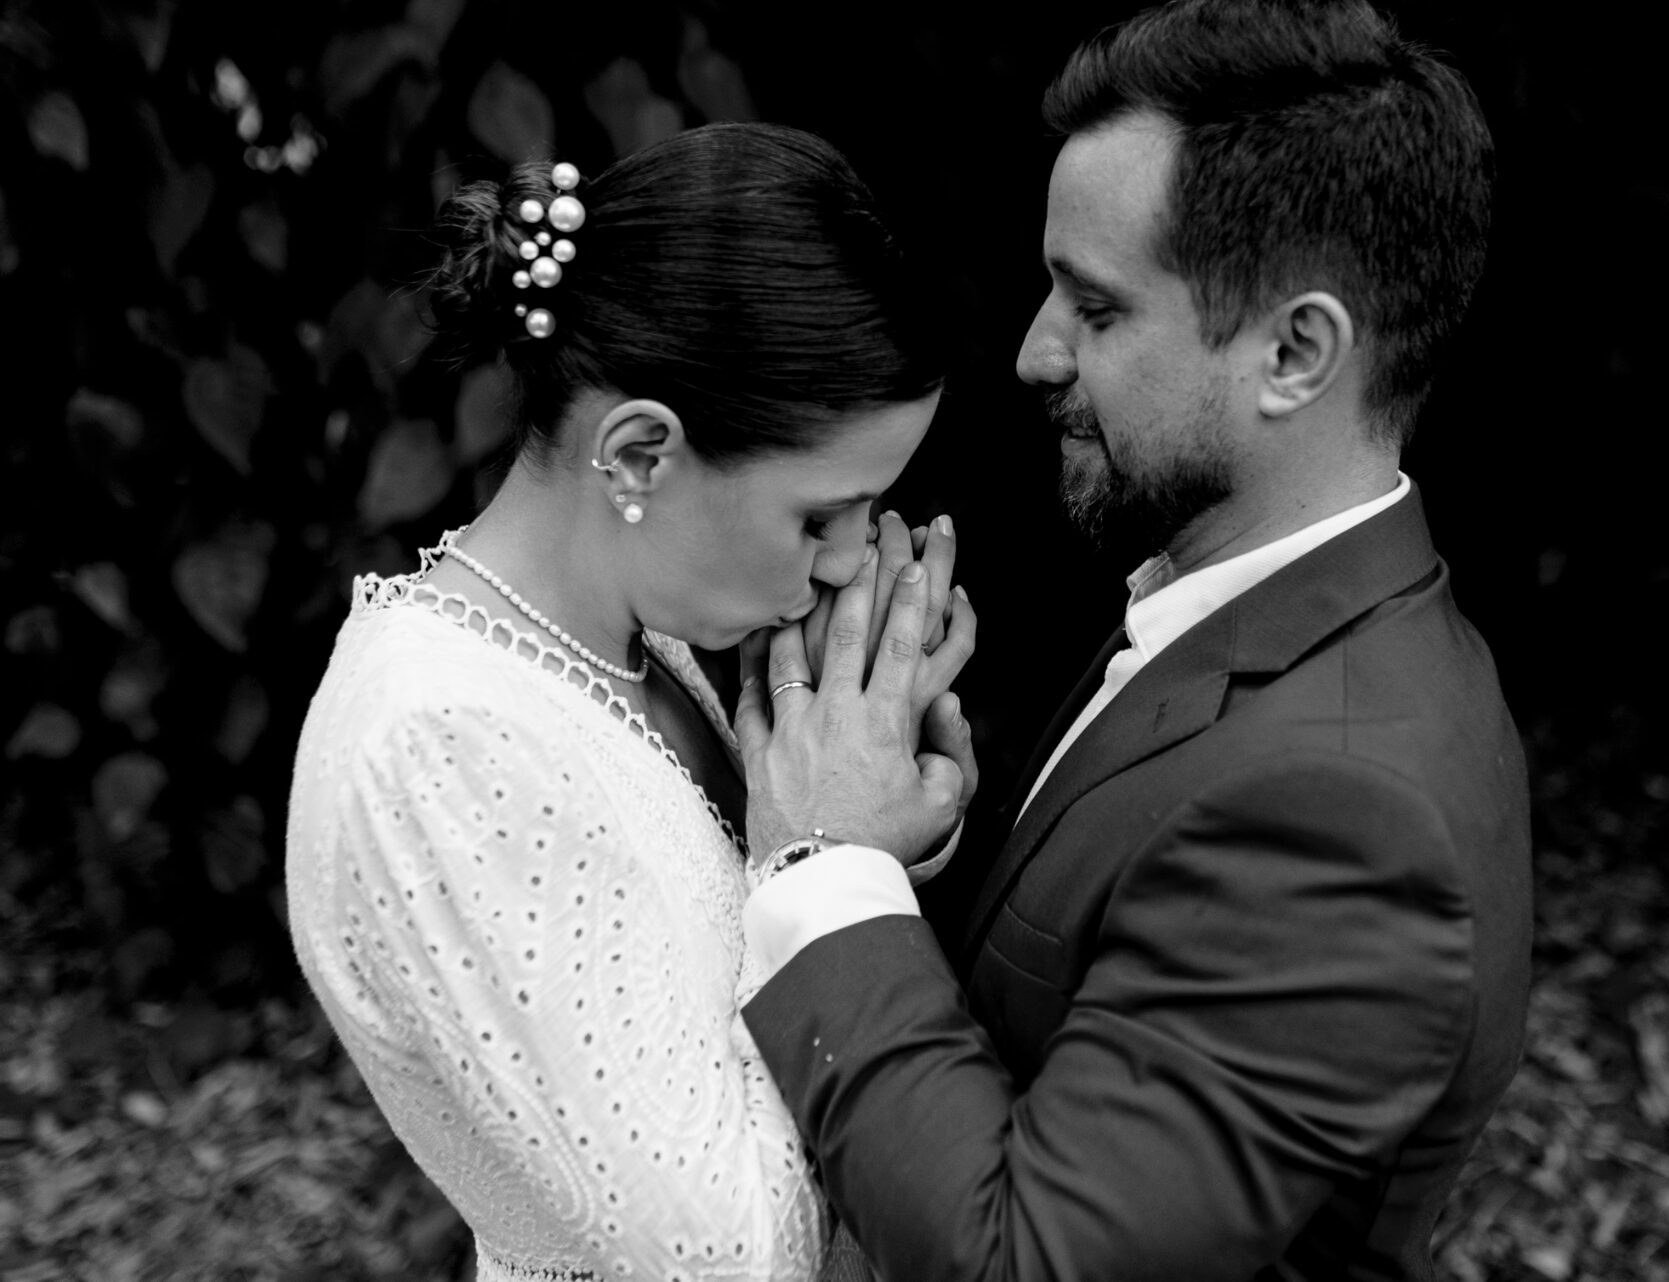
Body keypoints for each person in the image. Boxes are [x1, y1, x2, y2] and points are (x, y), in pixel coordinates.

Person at [730, 2, 1533, 1279]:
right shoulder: (1245, 608)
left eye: (1097, 309)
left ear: (1295, 351)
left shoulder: (1344, 813)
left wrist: (821, 868)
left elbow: (1025, 1259)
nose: (1033, 352)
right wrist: (900, 837)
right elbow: (1076, 997)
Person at [284, 123, 975, 1281]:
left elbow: (733, 938)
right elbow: (730, 1253)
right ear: (643, 454)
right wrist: (837, 859)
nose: (855, 558)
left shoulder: (633, 642)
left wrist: (878, 785)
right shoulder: (442, 750)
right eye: (819, 515)